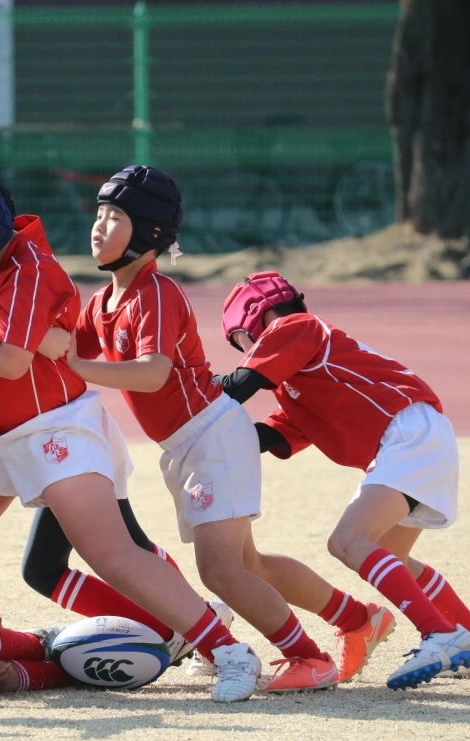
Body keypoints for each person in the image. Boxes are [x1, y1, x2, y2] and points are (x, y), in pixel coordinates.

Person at [0, 169, 256, 702]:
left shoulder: (29, 270)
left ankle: (227, 650)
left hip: (56, 431)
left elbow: (8, 363)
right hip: (1, 436)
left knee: (113, 554)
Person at [68, 166, 389, 692]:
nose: (99, 227)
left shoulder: (156, 292)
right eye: (99, 215)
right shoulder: (101, 302)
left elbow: (153, 372)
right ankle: (357, 618)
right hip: (188, 445)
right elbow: (63, 356)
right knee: (249, 564)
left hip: (211, 434)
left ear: (150, 234)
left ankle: (309, 660)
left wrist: (76, 366)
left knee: (220, 571)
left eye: (116, 217)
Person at [220, 270, 470, 690]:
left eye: (240, 344)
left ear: (252, 325)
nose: (243, 355)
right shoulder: (303, 381)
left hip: (406, 433)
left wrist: (186, 392)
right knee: (388, 554)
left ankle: (441, 633)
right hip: (418, 434)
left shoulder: (293, 328)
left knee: (347, 542)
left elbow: (236, 388)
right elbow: (265, 436)